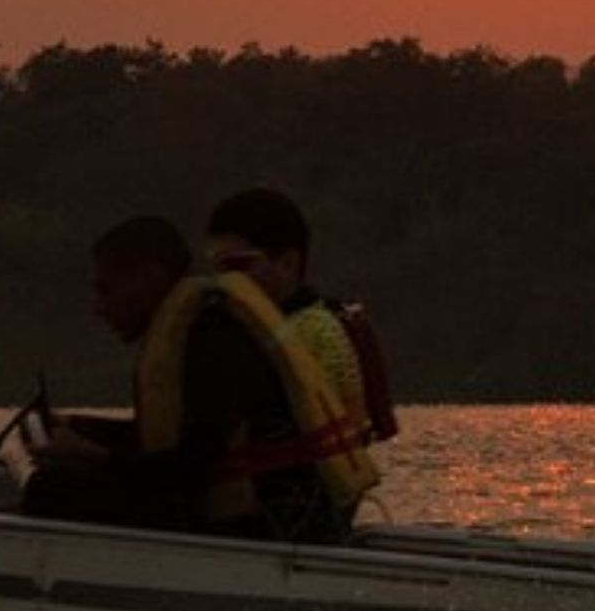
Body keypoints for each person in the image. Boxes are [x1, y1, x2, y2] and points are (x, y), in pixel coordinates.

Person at [23, 214, 375, 544]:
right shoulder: (196, 331)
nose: (99, 306)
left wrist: (95, 456)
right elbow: (171, 442)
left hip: (262, 527)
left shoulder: (213, 340)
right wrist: (79, 428)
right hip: (246, 515)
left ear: (150, 277)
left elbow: (193, 466)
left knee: (50, 490)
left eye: (106, 290)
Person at [204, 189, 399, 462]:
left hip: (293, 495)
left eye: (239, 265)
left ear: (287, 263)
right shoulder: (279, 328)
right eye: (217, 268)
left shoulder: (310, 335)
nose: (226, 280)